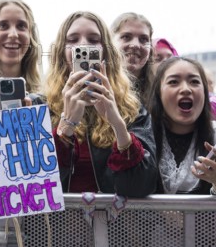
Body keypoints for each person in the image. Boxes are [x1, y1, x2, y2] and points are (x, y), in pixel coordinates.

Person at [44, 11, 157, 197]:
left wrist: (118, 125)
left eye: (93, 39)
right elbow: (36, 184)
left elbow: (142, 185)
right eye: (72, 40)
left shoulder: (132, 109)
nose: (83, 45)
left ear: (106, 51)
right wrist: (65, 126)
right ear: (61, 53)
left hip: (114, 225)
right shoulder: (43, 106)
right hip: (59, 225)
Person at [149, 57, 216, 194]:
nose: (186, 89)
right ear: (158, 93)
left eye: (194, 82)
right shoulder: (140, 137)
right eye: (173, 82)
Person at [0, 0, 42, 93]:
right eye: (3, 25)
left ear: (30, 35)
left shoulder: (46, 99)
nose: (13, 34)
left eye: (21, 26)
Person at [111, 12, 154, 107]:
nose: (135, 45)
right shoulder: (95, 88)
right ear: (110, 41)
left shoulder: (159, 93)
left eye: (143, 39)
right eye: (126, 37)